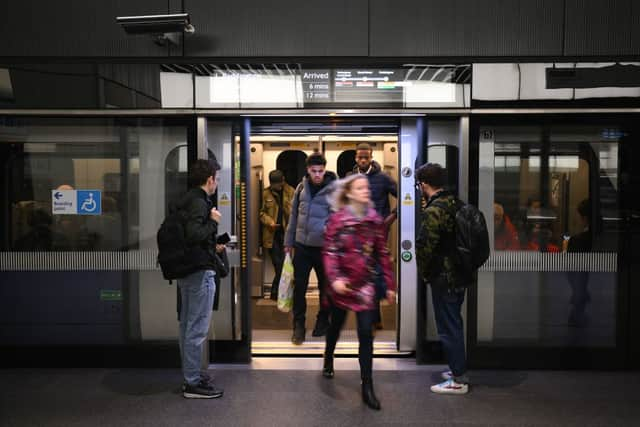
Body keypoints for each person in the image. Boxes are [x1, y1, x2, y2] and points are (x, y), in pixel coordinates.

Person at [322, 173, 396, 410]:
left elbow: (382, 254)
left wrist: (390, 284)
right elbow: (330, 252)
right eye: (360, 187)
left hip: (365, 285)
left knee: (366, 333)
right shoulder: (337, 220)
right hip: (342, 284)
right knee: (336, 325)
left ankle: (367, 386)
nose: (366, 190)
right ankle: (328, 356)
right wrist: (334, 279)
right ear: (349, 193)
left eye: (367, 187)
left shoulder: (375, 220)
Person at [415, 163, 470, 395]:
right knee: (454, 322)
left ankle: (458, 380)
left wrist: (425, 274)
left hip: (444, 278)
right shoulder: (456, 203)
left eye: (419, 185)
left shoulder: (434, 210)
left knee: (449, 327)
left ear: (425, 184)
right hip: (459, 274)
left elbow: (426, 247)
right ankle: (457, 369)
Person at [175, 159, 224, 399]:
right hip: (199, 272)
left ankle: (191, 374)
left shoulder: (186, 199)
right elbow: (194, 234)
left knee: (187, 325)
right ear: (210, 179)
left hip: (187, 271)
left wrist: (213, 243)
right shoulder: (199, 203)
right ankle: (192, 382)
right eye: (216, 178)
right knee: (196, 328)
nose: (217, 183)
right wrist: (213, 223)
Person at [284, 152, 337, 344]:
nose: (317, 175)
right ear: (308, 170)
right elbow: (293, 217)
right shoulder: (301, 188)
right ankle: (298, 325)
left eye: (320, 171)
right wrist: (288, 242)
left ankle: (323, 320)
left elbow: (337, 219)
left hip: (324, 247)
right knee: (299, 287)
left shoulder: (333, 190)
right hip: (302, 246)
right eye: (313, 171)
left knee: (325, 287)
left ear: (325, 169)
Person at [352, 142, 398, 328]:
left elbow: (404, 196)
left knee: (376, 272)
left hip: (377, 233)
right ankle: (369, 317)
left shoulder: (383, 178)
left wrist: (391, 217)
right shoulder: (350, 178)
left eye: (366, 157)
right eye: (360, 157)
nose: (363, 160)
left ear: (371, 157)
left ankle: (374, 317)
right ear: (356, 158)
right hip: (356, 234)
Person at [259, 170, 295, 300]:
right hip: (271, 235)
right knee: (278, 264)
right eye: (274, 185)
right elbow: (261, 213)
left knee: (285, 264)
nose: (277, 187)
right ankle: (277, 293)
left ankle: (277, 292)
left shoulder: (290, 192)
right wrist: (270, 222)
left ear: (283, 180)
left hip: (286, 234)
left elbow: (293, 212)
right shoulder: (265, 194)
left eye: (279, 184)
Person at [563, 199, 593, 327]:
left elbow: (570, 270)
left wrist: (565, 249)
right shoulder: (609, 237)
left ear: (584, 218)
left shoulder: (576, 241)